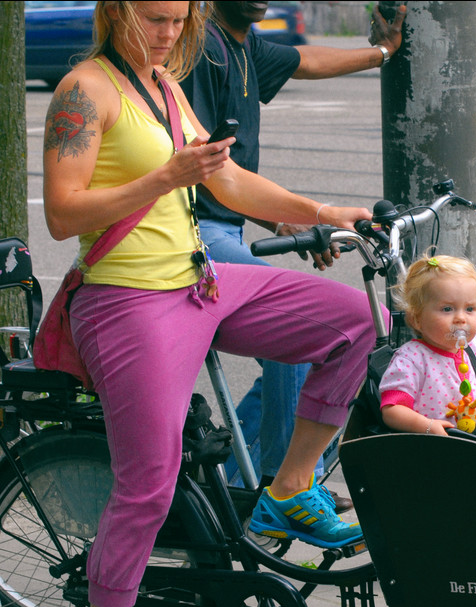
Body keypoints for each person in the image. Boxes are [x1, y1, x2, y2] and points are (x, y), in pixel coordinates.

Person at [41, 0, 374, 607]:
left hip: (200, 282)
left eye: (177, 20)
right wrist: (164, 176)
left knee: (353, 322)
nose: (166, 32)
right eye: (154, 18)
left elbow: (228, 182)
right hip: (127, 300)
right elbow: (63, 214)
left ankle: (290, 487)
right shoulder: (83, 91)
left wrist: (323, 212)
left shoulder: (165, 84)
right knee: (148, 487)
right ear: (118, 9)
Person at [179, 2, 406, 501]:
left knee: (304, 353)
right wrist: (310, 214)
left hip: (225, 226)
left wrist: (382, 53)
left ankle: (221, 486)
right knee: (305, 340)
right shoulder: (202, 52)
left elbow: (307, 61)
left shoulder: (244, 46)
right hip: (194, 234)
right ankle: (285, 487)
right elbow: (204, 170)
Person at [379, 253, 476, 438]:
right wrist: (427, 426)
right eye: (447, 309)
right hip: (437, 447)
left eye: (469, 309)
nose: (461, 318)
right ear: (417, 319)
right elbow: (392, 410)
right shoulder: (411, 359)